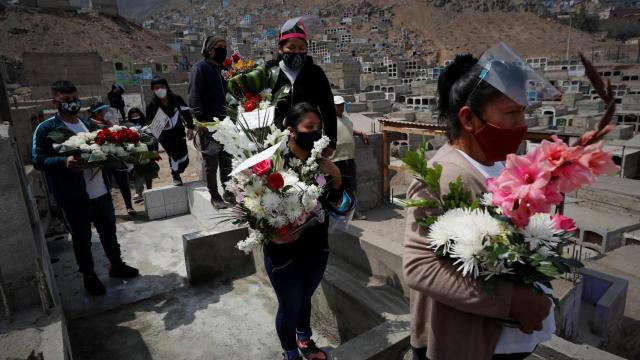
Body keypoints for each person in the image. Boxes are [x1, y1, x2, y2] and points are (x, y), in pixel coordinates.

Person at [403, 53, 555, 360]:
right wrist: (512, 301)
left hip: (500, 340)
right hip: (467, 343)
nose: (520, 124)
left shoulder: (497, 163)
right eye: (511, 113)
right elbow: (420, 266)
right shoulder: (443, 176)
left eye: (523, 112)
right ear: (469, 118)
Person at [32, 80, 139, 296]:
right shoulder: (46, 129)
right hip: (73, 197)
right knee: (82, 239)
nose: (72, 103)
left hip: (100, 191)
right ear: (55, 102)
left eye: (74, 99)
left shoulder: (87, 125)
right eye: (66, 100)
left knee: (109, 231)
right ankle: (89, 276)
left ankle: (116, 265)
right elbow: (38, 160)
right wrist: (63, 162)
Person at [266, 102, 343, 360]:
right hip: (283, 251)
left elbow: (341, 206)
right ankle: (291, 353)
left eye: (319, 128)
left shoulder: (321, 163)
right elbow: (251, 209)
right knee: (289, 306)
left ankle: (304, 339)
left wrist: (338, 180)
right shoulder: (272, 164)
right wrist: (272, 235)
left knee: (305, 297)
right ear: (292, 131)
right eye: (309, 127)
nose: (316, 132)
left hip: (316, 247)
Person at [268, 17, 337, 157]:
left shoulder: (315, 73)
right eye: (291, 48)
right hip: (275, 140)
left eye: (301, 48)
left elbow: (328, 108)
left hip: (309, 141)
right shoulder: (269, 71)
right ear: (280, 48)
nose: (297, 52)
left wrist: (331, 141)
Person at [188, 35, 234, 209]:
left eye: (225, 46)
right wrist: (201, 122)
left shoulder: (223, 69)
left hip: (226, 125)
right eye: (219, 47)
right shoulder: (200, 68)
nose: (223, 50)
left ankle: (228, 190)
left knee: (226, 160)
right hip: (209, 126)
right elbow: (194, 96)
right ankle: (215, 196)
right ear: (210, 50)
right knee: (211, 163)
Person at [88, 102, 136, 216]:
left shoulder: (110, 123)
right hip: (105, 160)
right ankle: (109, 209)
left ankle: (129, 207)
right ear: (97, 114)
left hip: (117, 157)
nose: (107, 113)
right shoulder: (92, 125)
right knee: (106, 185)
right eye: (104, 111)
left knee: (124, 183)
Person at [146, 77, 195, 186]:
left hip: (179, 132)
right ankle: (175, 176)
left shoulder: (177, 99)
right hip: (165, 137)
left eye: (162, 87)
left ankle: (178, 170)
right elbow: (149, 124)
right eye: (156, 88)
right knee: (174, 155)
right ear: (153, 90)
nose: (160, 89)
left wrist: (190, 128)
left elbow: (186, 113)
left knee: (184, 159)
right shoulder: (151, 106)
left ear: (167, 87)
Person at [331, 95, 369, 221]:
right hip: (335, 159)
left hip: (349, 158)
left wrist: (361, 133)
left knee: (352, 186)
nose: (340, 107)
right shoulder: (328, 120)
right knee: (338, 187)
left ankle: (353, 212)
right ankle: (339, 212)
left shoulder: (347, 120)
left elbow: (349, 130)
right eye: (337, 105)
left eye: (342, 105)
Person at [127, 108, 155, 203]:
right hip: (136, 152)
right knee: (137, 172)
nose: (135, 117)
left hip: (148, 150)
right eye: (133, 116)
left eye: (137, 115)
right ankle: (139, 192)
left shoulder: (146, 124)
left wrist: (154, 151)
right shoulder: (128, 126)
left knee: (149, 171)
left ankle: (149, 190)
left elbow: (153, 138)